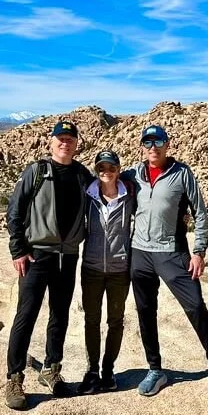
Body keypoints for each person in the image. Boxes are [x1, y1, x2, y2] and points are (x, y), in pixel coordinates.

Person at [125, 124, 208, 400]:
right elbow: (106, 184)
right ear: (142, 147)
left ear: (167, 144)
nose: (153, 148)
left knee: (195, 306)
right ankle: (155, 369)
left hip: (172, 252)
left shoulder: (182, 174)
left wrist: (199, 251)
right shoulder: (133, 174)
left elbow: (200, 213)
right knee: (145, 311)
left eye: (158, 142)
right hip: (140, 254)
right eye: (147, 143)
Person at [3, 120, 92, 411]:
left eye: (70, 139)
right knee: (26, 315)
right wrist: (18, 249)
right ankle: (14, 377)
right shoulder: (37, 171)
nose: (65, 143)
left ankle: (51, 370)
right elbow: (15, 211)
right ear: (51, 143)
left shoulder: (81, 174)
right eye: (60, 138)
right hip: (37, 255)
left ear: (77, 143)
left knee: (60, 315)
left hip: (68, 256)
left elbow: (105, 196)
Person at [77, 150, 136, 395]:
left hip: (119, 269)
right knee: (91, 320)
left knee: (115, 321)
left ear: (118, 169)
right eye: (101, 168)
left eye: (111, 168)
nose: (106, 172)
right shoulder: (87, 195)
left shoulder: (129, 195)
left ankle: (108, 370)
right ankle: (92, 371)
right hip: (91, 267)